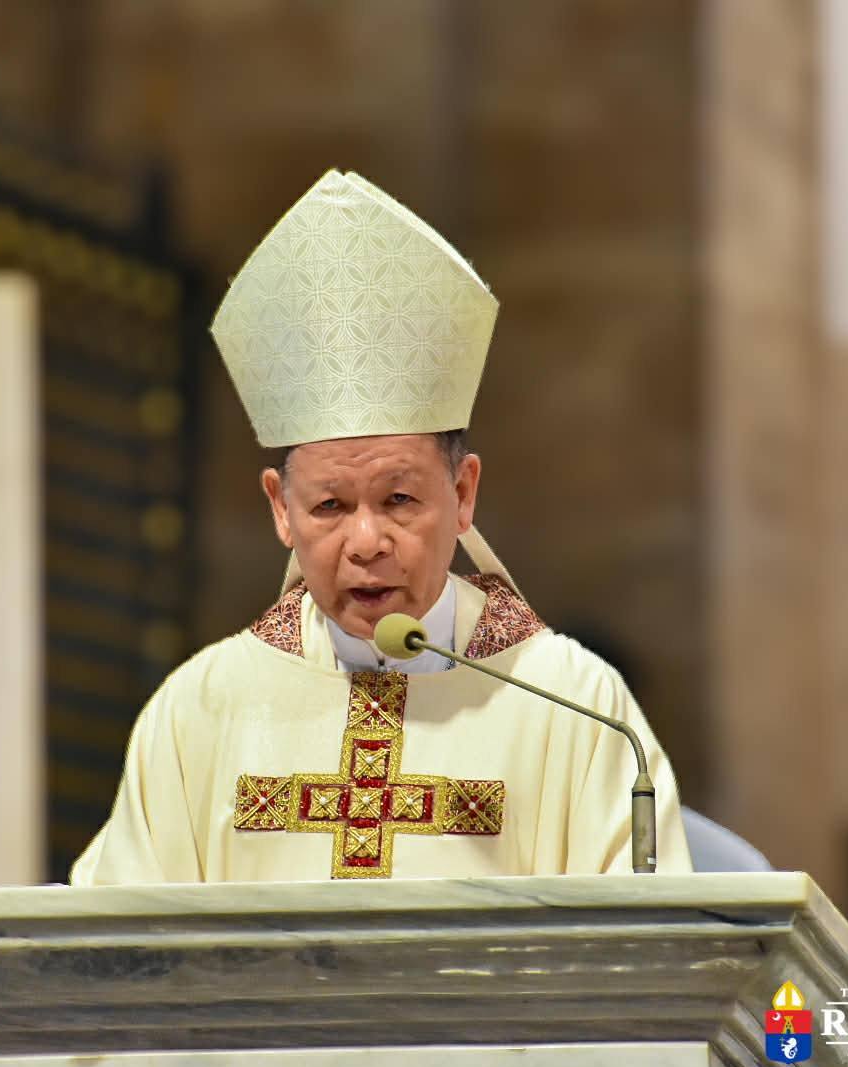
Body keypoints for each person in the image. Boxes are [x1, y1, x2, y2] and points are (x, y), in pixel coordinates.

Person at [71, 170, 691, 884]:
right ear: (280, 509)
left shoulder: (574, 705)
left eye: (399, 499)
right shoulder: (201, 711)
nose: (366, 542)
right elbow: (121, 953)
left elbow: (637, 955)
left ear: (463, 494)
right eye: (330, 507)